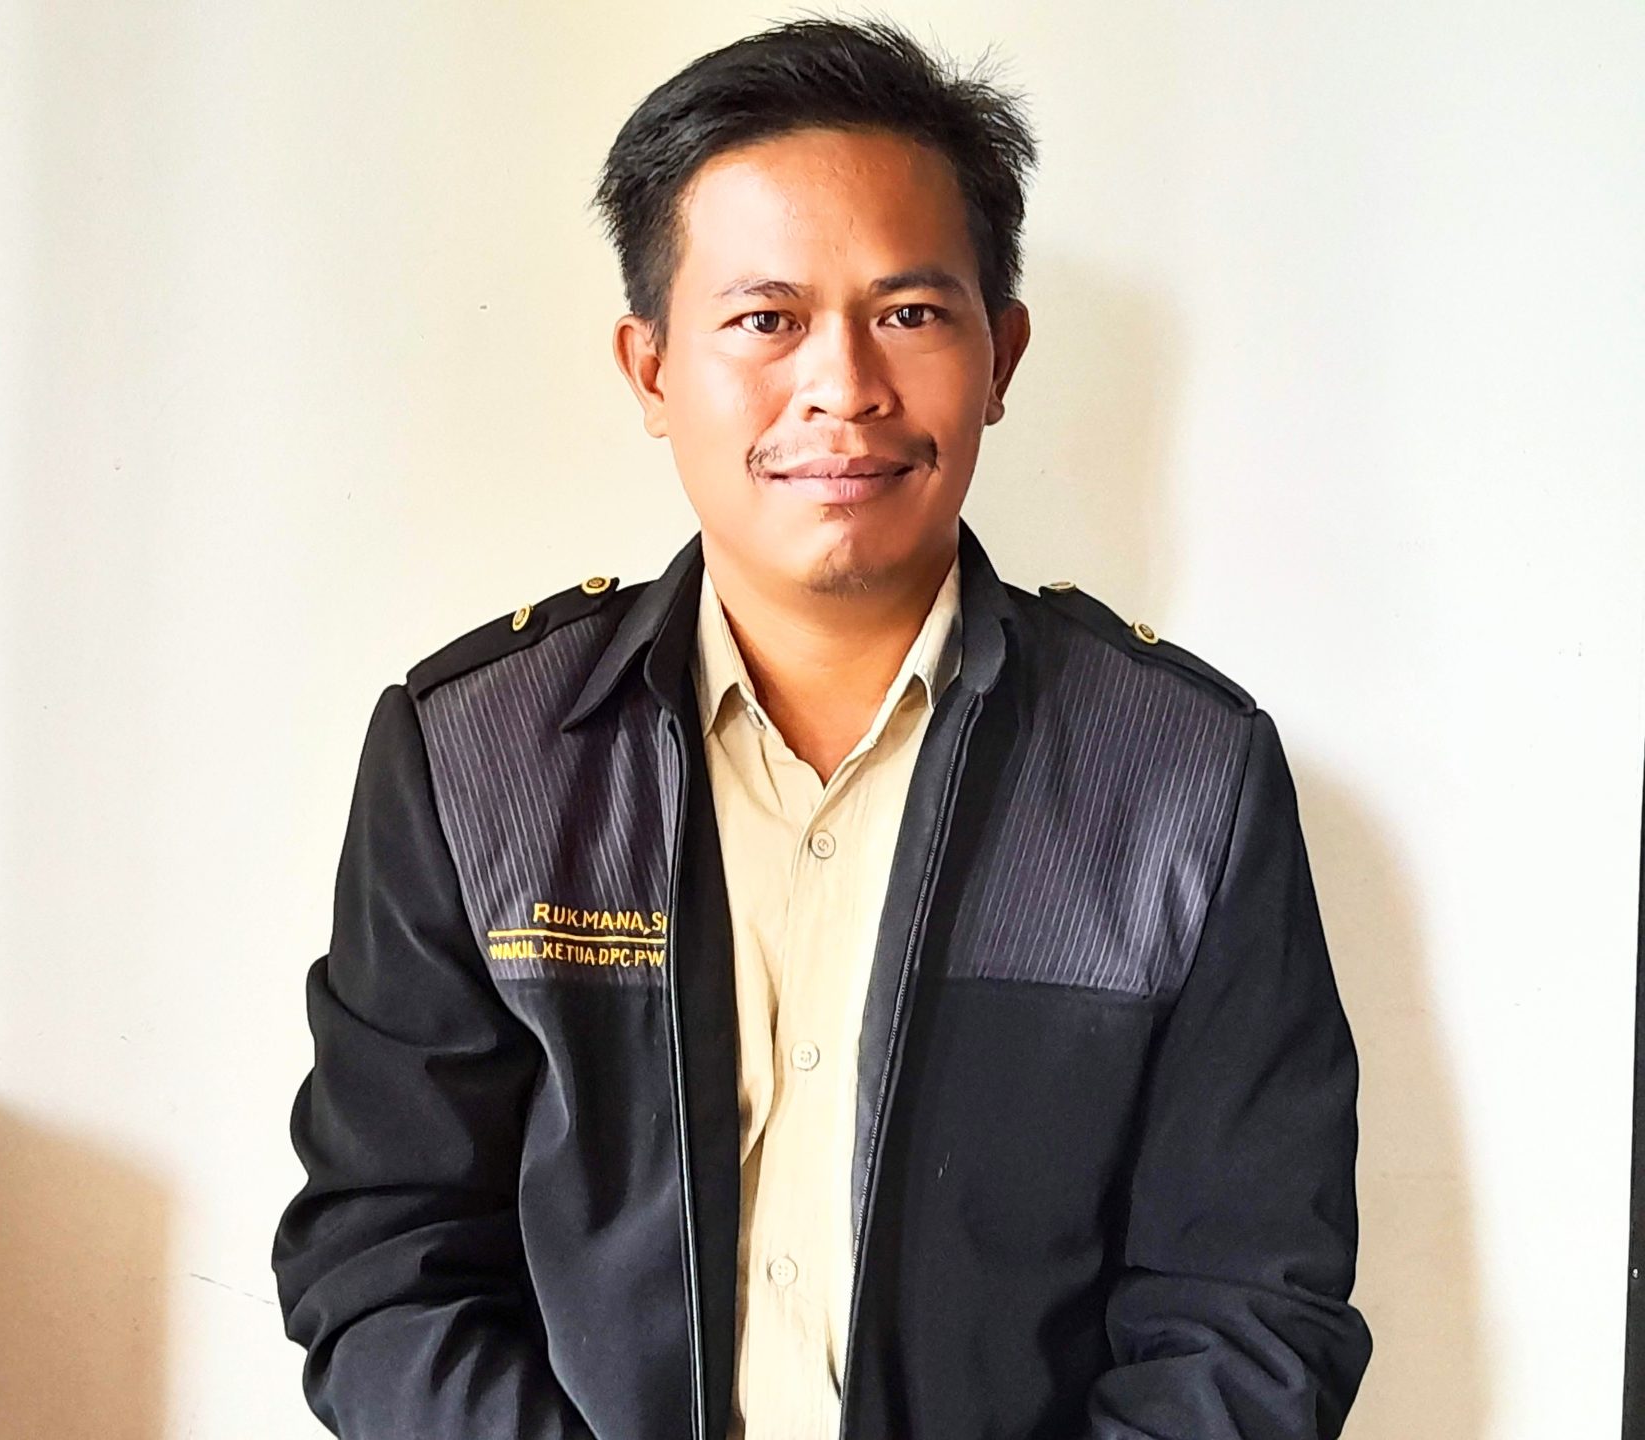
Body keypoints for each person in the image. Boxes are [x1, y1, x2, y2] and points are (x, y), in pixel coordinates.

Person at [272, 16, 1372, 1439]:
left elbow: (1249, 1307)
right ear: (651, 368)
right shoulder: (476, 759)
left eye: (909, 313)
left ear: (1001, 355)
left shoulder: (1182, 779)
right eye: (766, 320)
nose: (842, 387)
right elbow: (383, 1263)